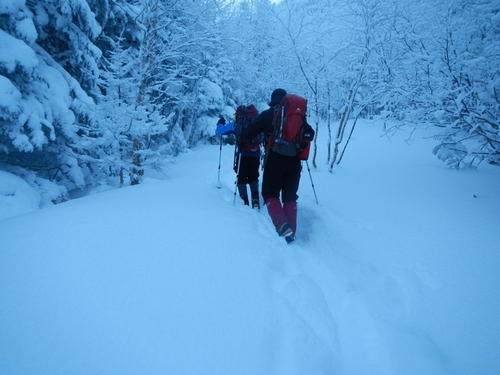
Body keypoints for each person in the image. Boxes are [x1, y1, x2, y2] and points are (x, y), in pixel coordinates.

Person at [243, 89, 314, 243]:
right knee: (289, 195)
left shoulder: (269, 114)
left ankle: (282, 226)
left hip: (274, 159)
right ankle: (292, 233)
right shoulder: (298, 116)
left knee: (270, 193)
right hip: (294, 161)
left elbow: (250, 131)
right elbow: (311, 134)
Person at [216, 106, 261, 208]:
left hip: (242, 154)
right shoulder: (257, 123)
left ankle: (244, 203)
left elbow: (221, 131)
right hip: (255, 155)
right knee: (254, 177)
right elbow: (262, 136)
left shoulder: (237, 124)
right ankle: (255, 201)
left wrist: (220, 123)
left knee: (241, 179)